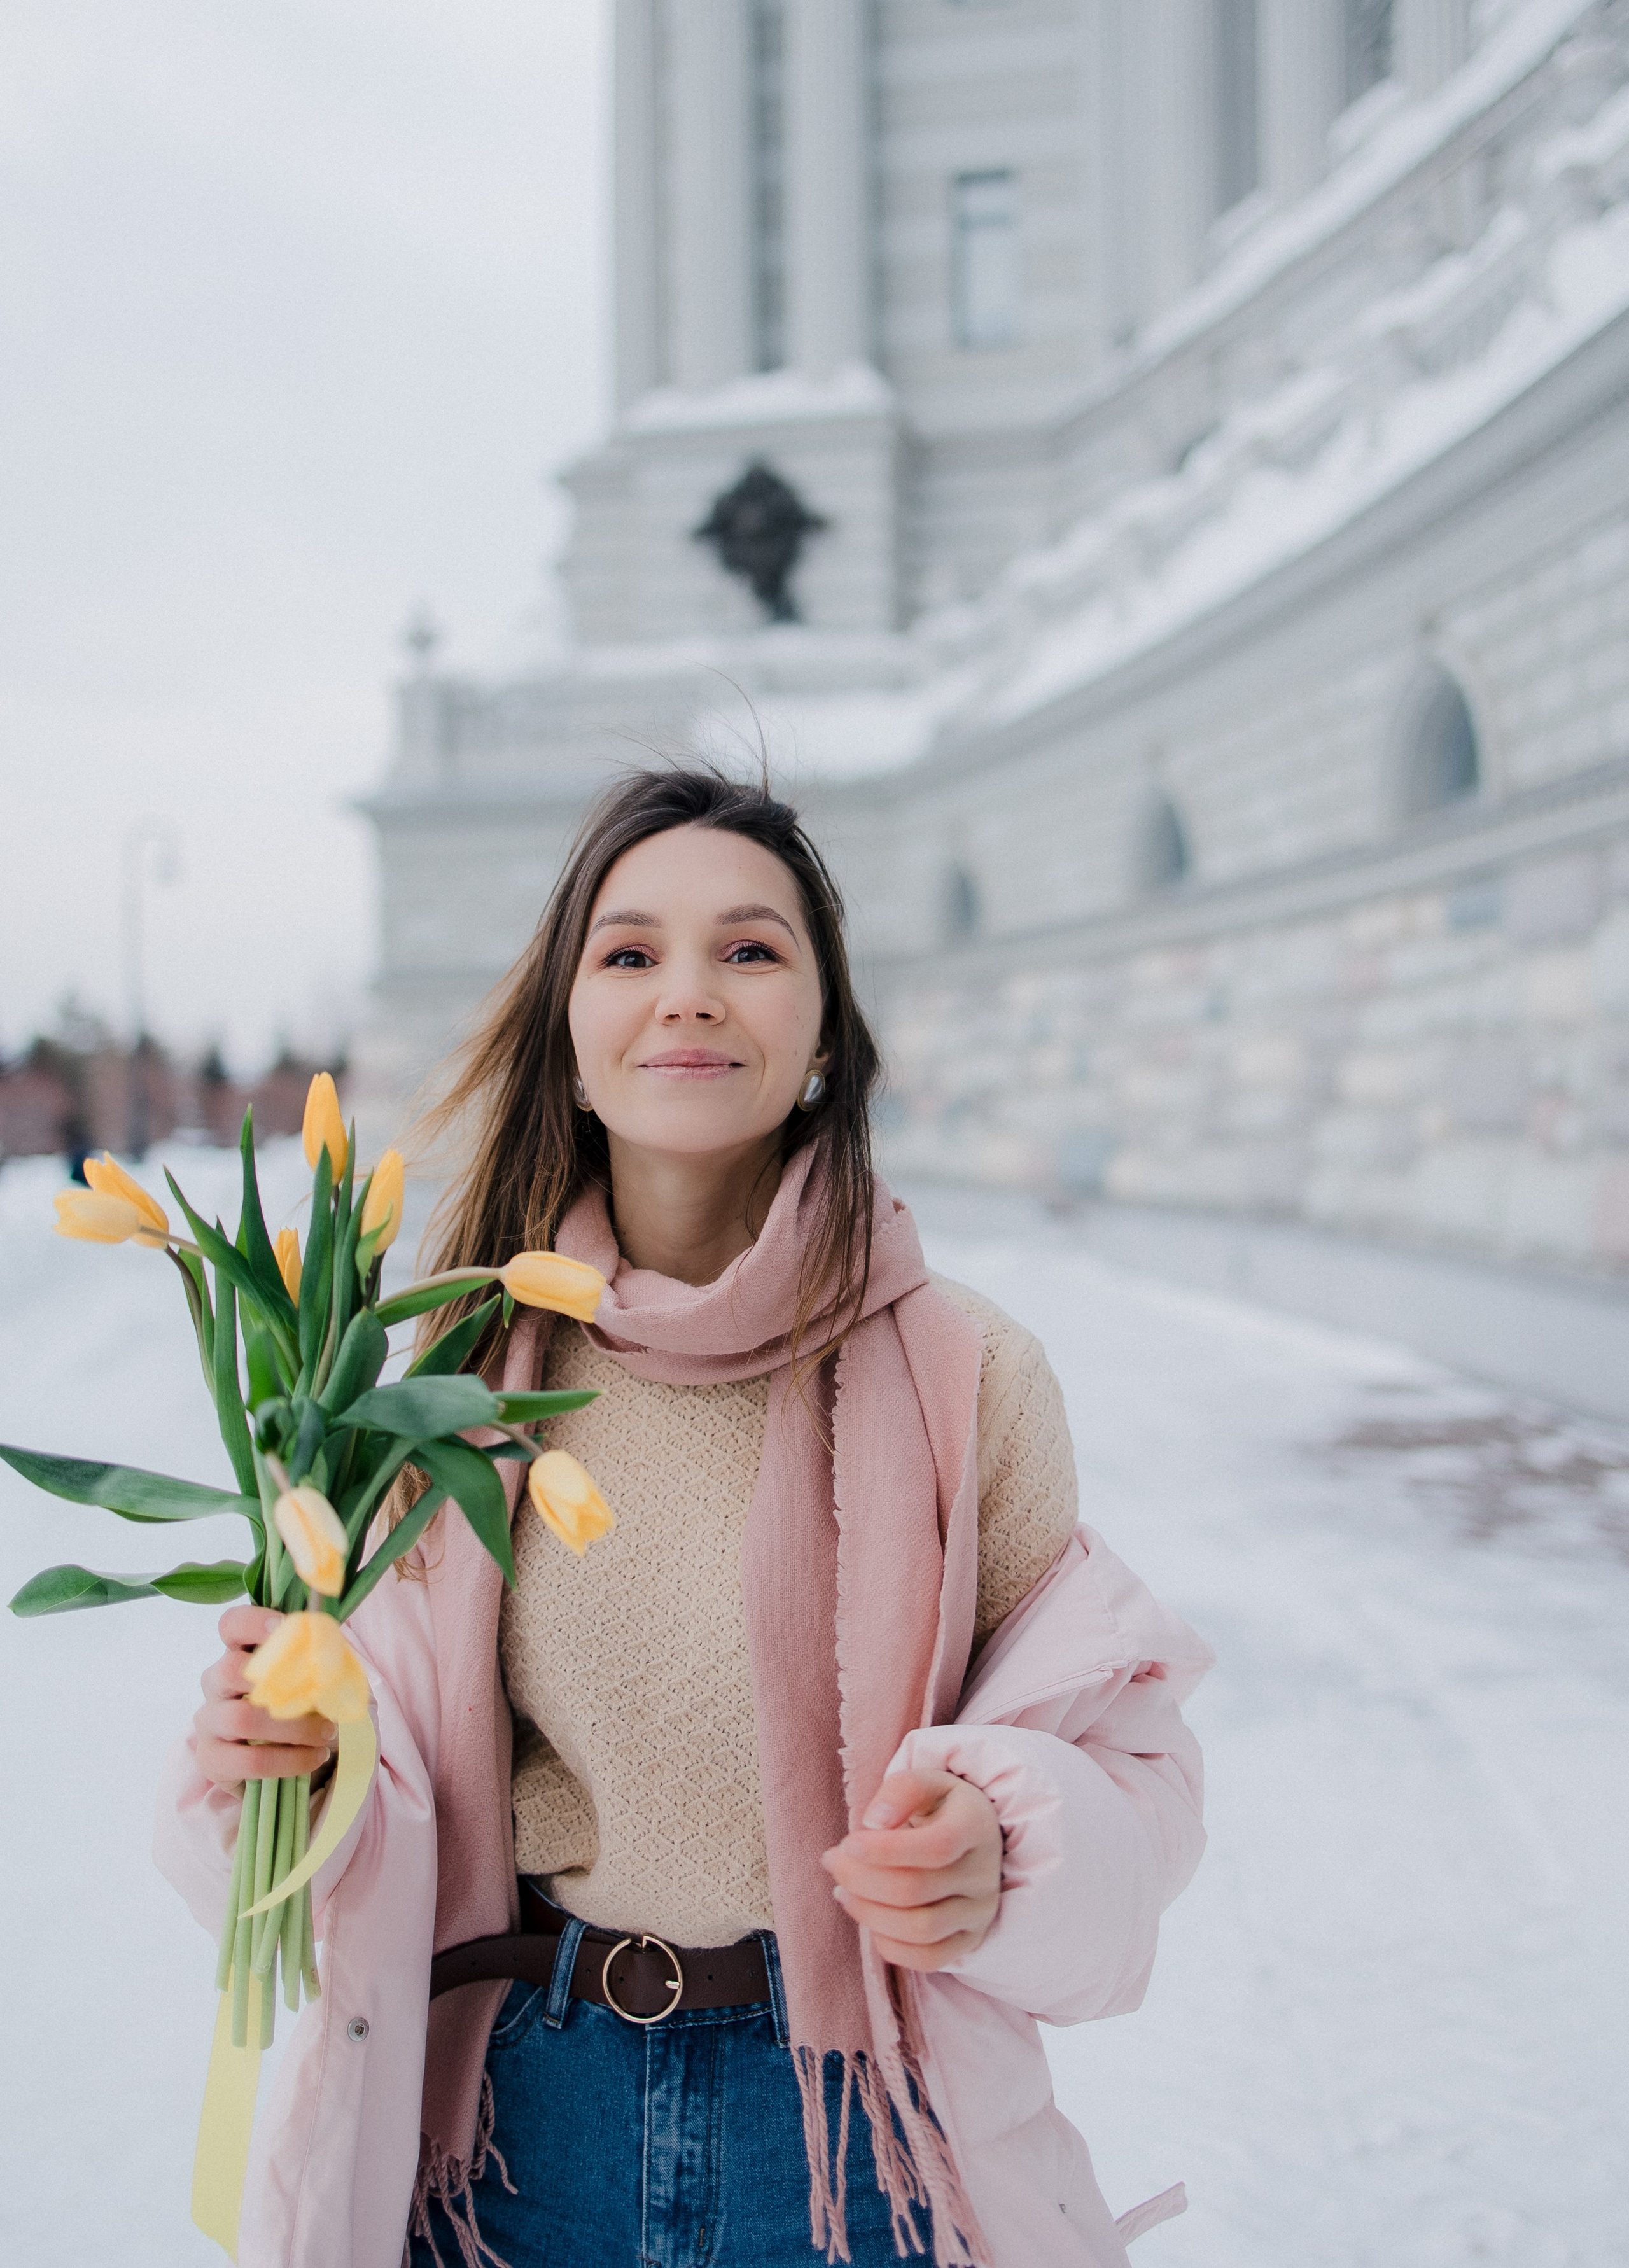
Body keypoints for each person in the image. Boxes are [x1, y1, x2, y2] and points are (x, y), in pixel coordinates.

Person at [158, 767, 1212, 2268]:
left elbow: (1133, 1772)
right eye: (631, 952)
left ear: (825, 1036)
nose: (689, 992)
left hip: (854, 2136)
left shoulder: (968, 1377)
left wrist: (1007, 1845)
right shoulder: (449, 1385)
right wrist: (272, 1771)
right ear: (571, 1040)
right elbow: (357, 1827)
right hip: (512, 2122)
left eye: (751, 949)